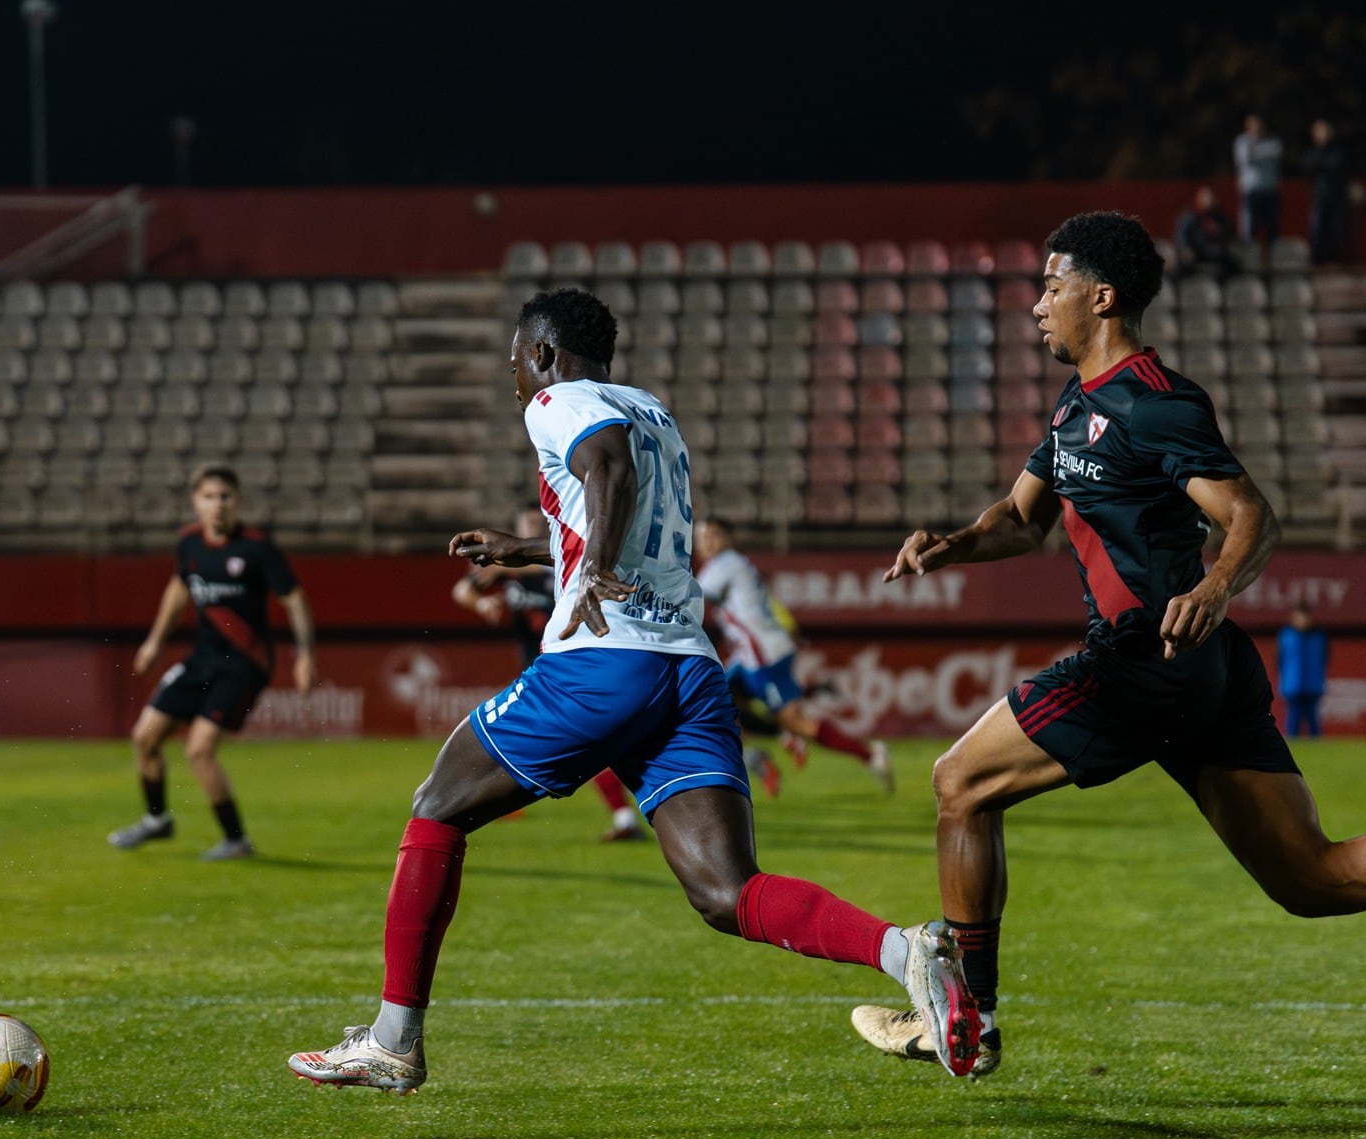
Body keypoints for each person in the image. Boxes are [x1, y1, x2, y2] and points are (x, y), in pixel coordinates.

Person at [287, 288, 982, 1094]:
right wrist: (534, 549)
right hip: (687, 670)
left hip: (604, 662)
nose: (515, 378)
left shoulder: (558, 401)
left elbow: (607, 465)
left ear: (543, 354)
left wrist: (591, 571)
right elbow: (633, 512)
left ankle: (392, 1040)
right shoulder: (653, 409)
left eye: (515, 361)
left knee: (436, 806)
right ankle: (907, 952)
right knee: (726, 890)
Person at [852, 211, 1366, 1078]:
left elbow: (1250, 516)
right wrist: (949, 544)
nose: (1037, 306)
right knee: (1309, 879)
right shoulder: (1076, 404)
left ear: (1101, 297)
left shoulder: (1154, 401)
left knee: (959, 782)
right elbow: (1019, 518)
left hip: (1144, 658)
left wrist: (1214, 586)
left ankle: (968, 1021)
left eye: (1052, 287)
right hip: (1200, 672)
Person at [109, 465, 317, 860]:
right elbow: (179, 589)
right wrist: (154, 642)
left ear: (238, 501)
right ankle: (157, 820)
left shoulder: (257, 548)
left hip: (244, 664)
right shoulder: (190, 542)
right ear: (195, 501)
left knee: (199, 750)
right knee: (144, 738)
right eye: (209, 497)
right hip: (201, 660)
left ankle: (236, 840)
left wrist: (305, 655)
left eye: (225, 497)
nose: (217, 505)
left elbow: (295, 599)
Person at [453, 504, 648, 842]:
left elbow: (562, 558)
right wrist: (481, 602)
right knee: (588, 742)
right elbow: (461, 591)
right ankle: (624, 816)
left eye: (537, 523)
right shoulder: (509, 570)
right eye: (525, 524)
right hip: (539, 668)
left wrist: (512, 560)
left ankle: (489, 799)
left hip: (573, 665)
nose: (532, 528)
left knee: (588, 741)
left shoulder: (560, 559)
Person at [694, 515, 895, 794]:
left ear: (728, 539)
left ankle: (869, 755)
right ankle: (767, 749)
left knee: (797, 722)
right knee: (715, 701)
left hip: (763, 655)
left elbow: (691, 595)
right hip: (752, 654)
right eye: (701, 537)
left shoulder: (726, 564)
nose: (707, 542)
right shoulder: (732, 564)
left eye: (713, 535)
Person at [1300, 120, 1351, 265]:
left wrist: (1319, 164)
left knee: (1336, 230)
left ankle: (1333, 260)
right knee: (1316, 229)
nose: (1321, 135)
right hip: (1318, 195)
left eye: (1324, 132)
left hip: (1337, 196)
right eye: (1318, 132)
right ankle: (1316, 260)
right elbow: (1307, 166)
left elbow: (1335, 165)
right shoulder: (1311, 152)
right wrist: (1321, 162)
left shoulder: (1337, 151)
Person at [1276, 603, 1329, 738]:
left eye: (1305, 617)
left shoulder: (1319, 636)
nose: (1303, 621)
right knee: (1292, 722)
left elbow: (1325, 659)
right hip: (1292, 686)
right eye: (1300, 617)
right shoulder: (1286, 635)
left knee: (1313, 722)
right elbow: (1279, 660)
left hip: (1313, 685)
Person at [1234, 115, 1285, 249]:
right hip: (1251, 190)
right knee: (1250, 226)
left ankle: (1273, 255)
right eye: (1253, 125)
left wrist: (1256, 153)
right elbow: (1246, 159)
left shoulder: (1273, 140)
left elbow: (1276, 156)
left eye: (1259, 124)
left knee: (1272, 225)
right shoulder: (1242, 141)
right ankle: (1250, 254)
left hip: (1271, 190)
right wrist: (1261, 153)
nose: (1257, 128)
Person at [1173, 185, 1238, 279]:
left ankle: (1226, 285)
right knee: (1182, 265)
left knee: (1232, 263)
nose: (1210, 200)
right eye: (1207, 197)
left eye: (1212, 197)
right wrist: (1186, 248)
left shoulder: (1219, 216)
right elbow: (1181, 234)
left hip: (1213, 251)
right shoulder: (1191, 214)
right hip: (1196, 251)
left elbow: (1230, 232)